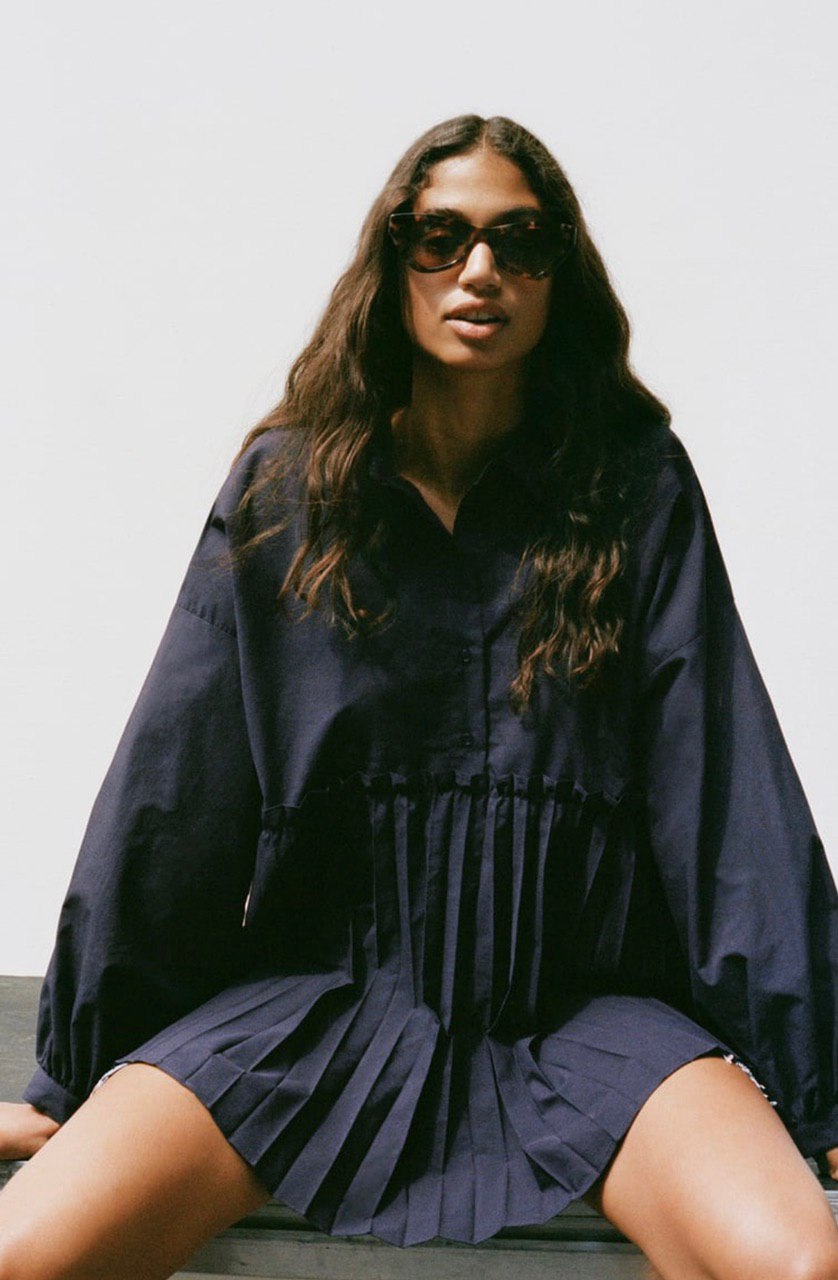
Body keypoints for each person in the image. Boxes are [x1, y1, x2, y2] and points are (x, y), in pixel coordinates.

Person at [1, 113, 837, 1280]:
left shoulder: (634, 488)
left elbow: (725, 791)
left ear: (559, 273)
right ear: (392, 262)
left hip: (583, 1019)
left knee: (801, 1263)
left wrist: (818, 1086)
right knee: (24, 1253)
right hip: (315, 1010)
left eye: (519, 241)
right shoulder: (286, 491)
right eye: (440, 238)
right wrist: (76, 1076)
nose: (479, 269)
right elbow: (175, 784)